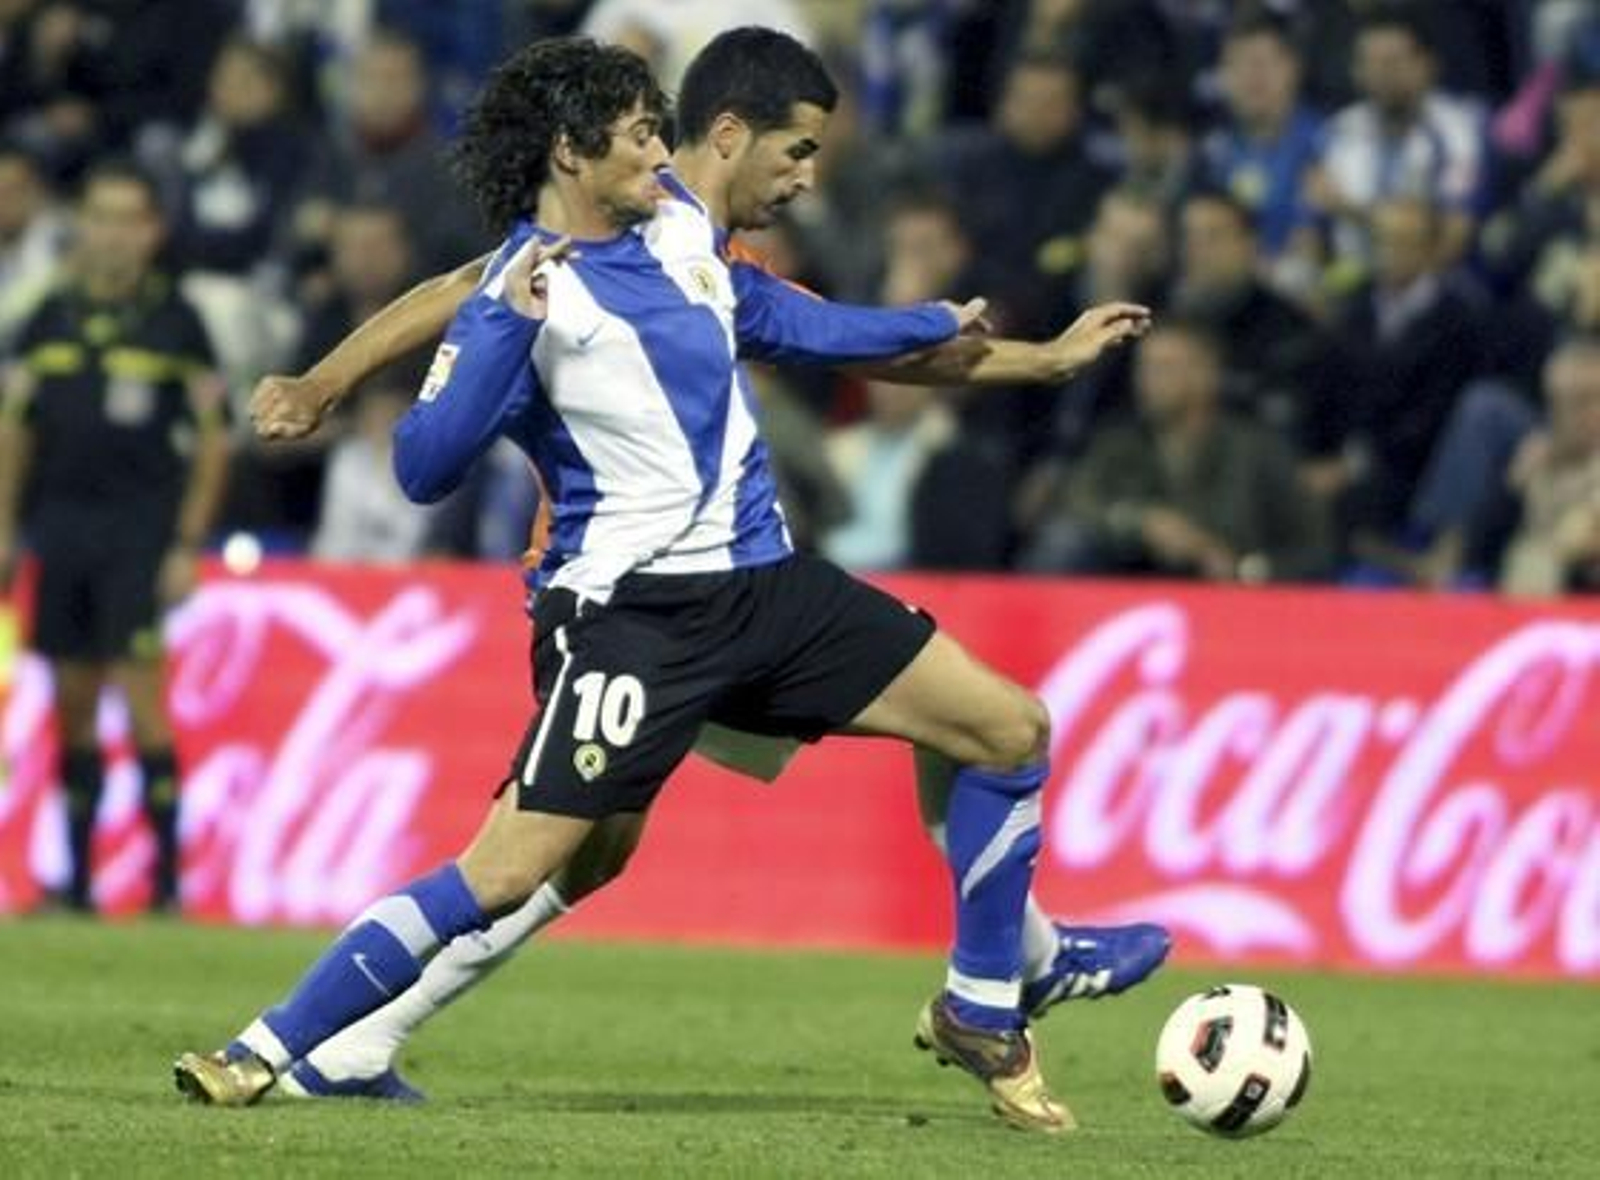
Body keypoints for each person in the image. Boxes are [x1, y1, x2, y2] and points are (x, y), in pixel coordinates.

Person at [174, 34, 1152, 1132]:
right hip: (632, 619)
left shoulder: (683, 227)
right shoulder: (525, 292)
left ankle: (986, 998)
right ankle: (268, 1048)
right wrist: (376, 365)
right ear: (573, 152)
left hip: (764, 589)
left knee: (1005, 729)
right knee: (515, 866)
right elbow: (424, 463)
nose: (661, 151)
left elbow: (798, 324)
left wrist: (970, 334)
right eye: (642, 135)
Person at [0, 157, 231, 913]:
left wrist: (186, 544)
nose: (112, 234)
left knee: (140, 701)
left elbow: (213, 439)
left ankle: (166, 886)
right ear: (82, 226)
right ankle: (76, 884)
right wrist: (5, 527)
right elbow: (14, 431)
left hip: (139, 533)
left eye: (128, 219)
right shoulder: (46, 317)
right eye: (100, 217)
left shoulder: (177, 322)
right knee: (71, 702)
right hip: (60, 528)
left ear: (152, 231)